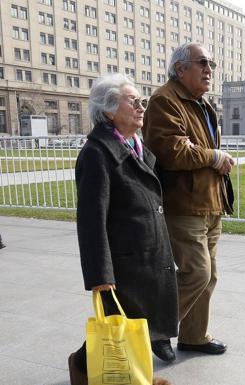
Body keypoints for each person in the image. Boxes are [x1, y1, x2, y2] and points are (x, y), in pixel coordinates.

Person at [68, 73, 177, 385]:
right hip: (122, 260)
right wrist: (100, 275)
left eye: (142, 100)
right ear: (108, 110)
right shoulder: (97, 153)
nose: (142, 107)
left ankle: (132, 374)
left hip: (146, 253)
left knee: (134, 321)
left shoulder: (135, 144)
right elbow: (90, 219)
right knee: (119, 322)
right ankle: (83, 365)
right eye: (133, 101)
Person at [143, 42, 234, 359]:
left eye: (212, 64)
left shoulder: (200, 103)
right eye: (203, 63)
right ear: (180, 68)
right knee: (197, 272)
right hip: (183, 205)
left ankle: (195, 336)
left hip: (209, 203)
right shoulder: (164, 100)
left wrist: (215, 161)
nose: (209, 69)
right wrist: (215, 156)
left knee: (210, 276)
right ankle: (155, 328)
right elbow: (172, 150)